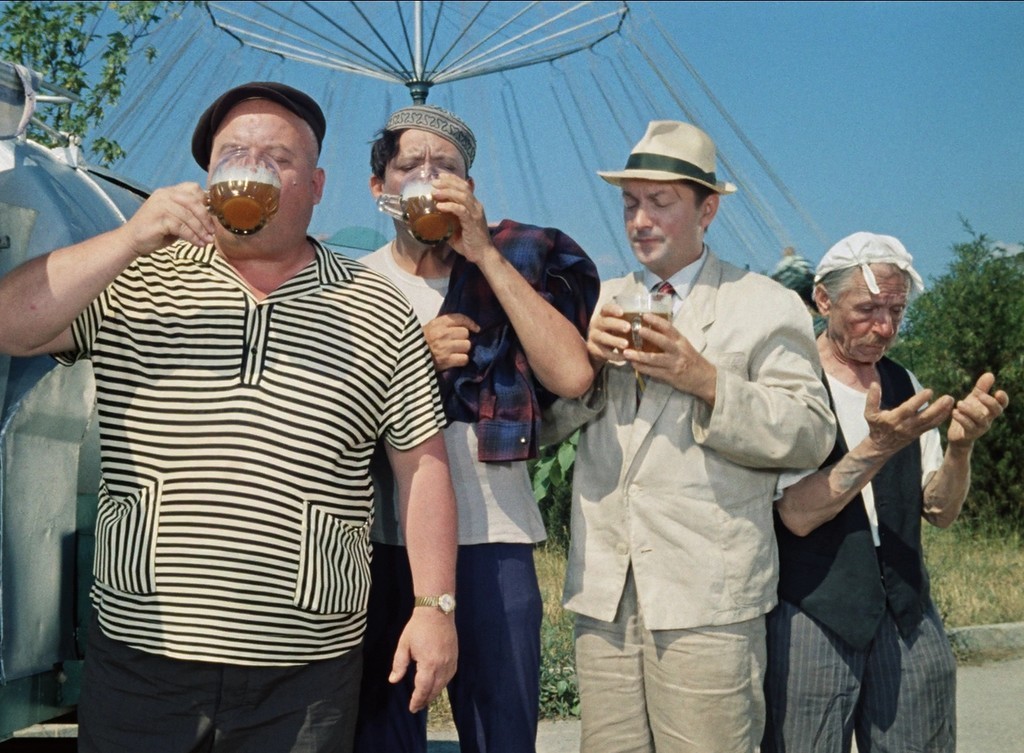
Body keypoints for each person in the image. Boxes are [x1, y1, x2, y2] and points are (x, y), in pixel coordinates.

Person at [0, 81, 458, 753]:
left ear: (316, 186)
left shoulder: (375, 306)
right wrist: (128, 237)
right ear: (208, 176)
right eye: (234, 154)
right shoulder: (137, 276)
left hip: (304, 670)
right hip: (142, 654)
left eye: (278, 158)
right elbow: (11, 324)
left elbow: (423, 467)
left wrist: (435, 607)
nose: (252, 169)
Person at [540, 119, 837, 753]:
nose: (640, 220)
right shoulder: (597, 303)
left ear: (708, 210)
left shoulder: (765, 304)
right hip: (604, 594)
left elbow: (811, 433)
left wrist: (706, 380)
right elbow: (537, 430)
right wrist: (584, 369)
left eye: (660, 202)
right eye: (630, 203)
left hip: (709, 598)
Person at [353, 104, 599, 753]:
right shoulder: (354, 286)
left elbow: (573, 374)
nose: (429, 178)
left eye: (447, 167)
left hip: (495, 534)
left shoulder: (506, 265)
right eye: (411, 165)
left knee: (503, 732)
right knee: (381, 731)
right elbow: (329, 418)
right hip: (383, 541)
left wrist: (484, 252)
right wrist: (413, 356)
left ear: (469, 187)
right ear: (379, 187)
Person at [763, 232, 1009, 753]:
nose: (885, 327)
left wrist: (961, 448)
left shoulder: (903, 384)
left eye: (896, 310)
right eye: (868, 309)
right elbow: (796, 515)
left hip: (905, 608)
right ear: (823, 300)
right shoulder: (790, 381)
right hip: (813, 609)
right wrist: (877, 447)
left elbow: (938, 510)